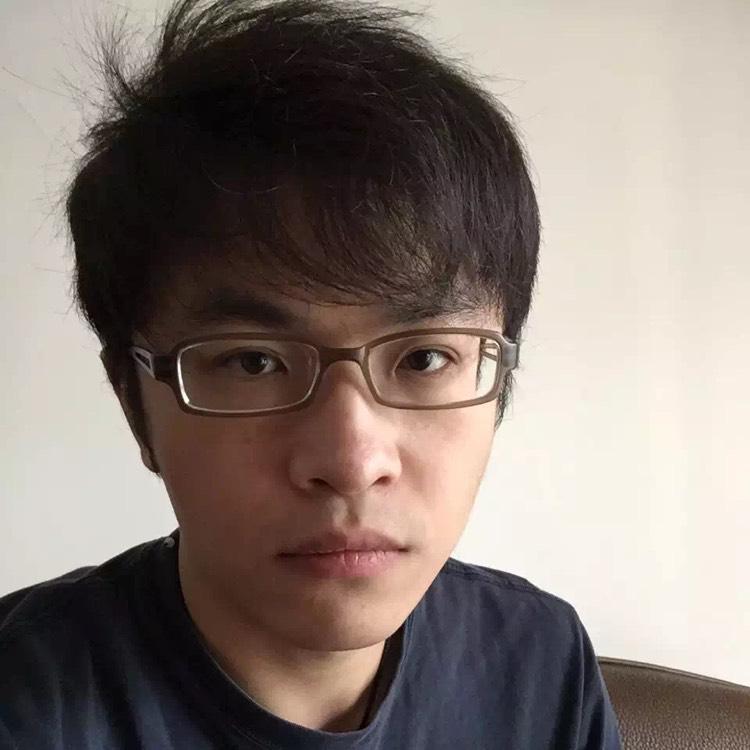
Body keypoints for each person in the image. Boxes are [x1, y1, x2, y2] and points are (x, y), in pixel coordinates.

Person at [0, 1, 622, 747]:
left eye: (425, 357)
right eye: (253, 361)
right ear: (135, 404)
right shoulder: (30, 702)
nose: (353, 462)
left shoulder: (540, 661)